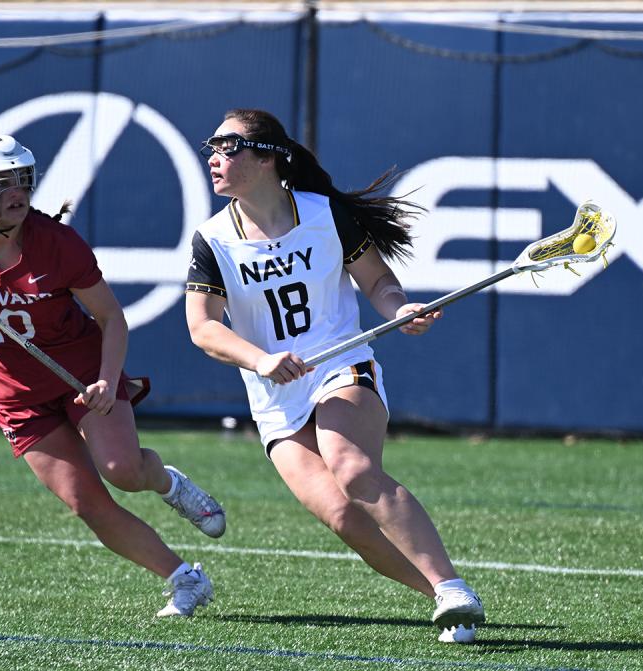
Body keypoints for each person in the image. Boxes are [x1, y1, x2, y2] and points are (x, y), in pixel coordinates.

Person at [0, 134, 224, 618]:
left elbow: (112, 319)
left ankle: (169, 485)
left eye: (21, 181)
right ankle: (185, 580)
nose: (15, 193)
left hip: (80, 373)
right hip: (17, 397)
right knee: (86, 502)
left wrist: (109, 380)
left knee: (122, 471)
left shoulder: (59, 244)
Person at [183, 109, 484, 643]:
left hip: (340, 362)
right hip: (274, 393)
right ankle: (446, 600)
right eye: (213, 147)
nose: (214, 158)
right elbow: (203, 329)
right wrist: (260, 360)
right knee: (346, 519)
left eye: (228, 147)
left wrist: (398, 311)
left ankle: (451, 584)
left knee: (351, 465)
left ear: (268, 157)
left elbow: (379, 283)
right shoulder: (211, 240)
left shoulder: (326, 216)